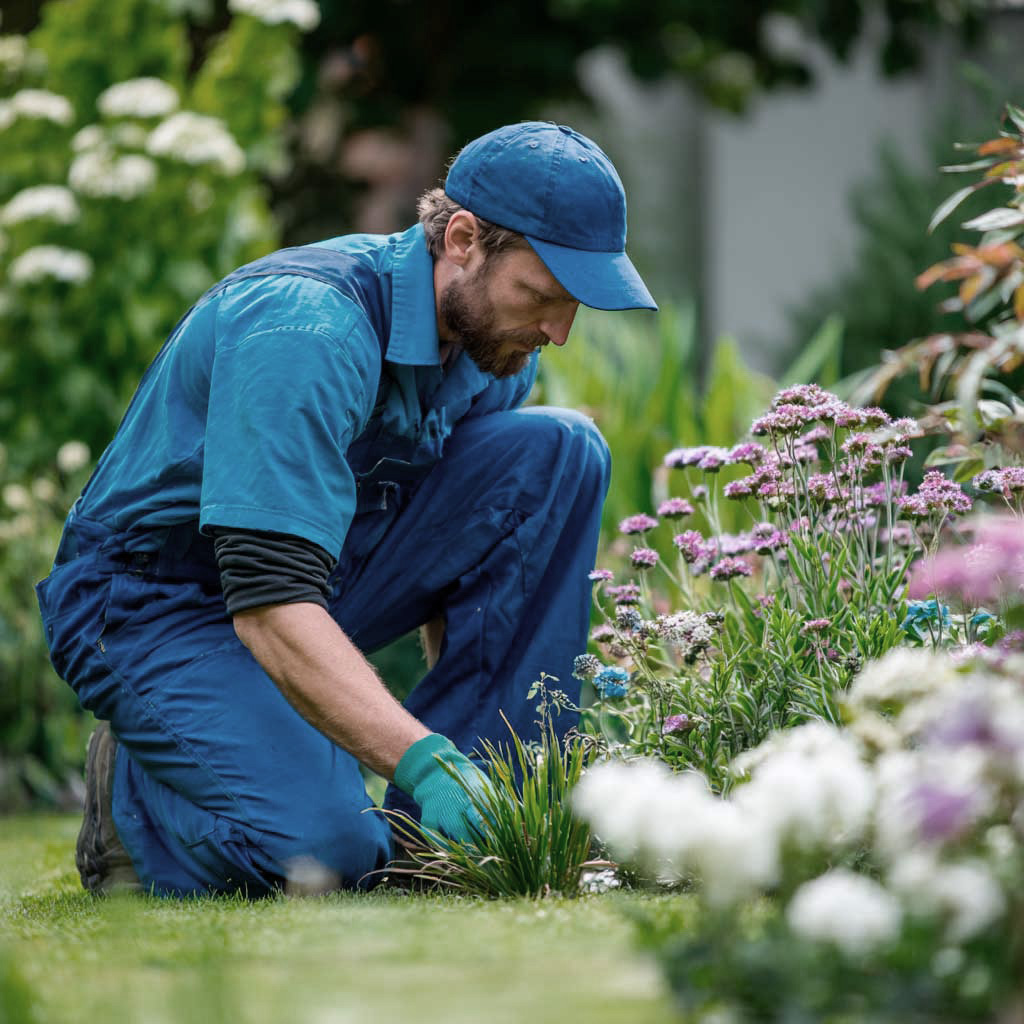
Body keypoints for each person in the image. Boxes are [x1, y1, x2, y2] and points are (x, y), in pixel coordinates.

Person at [37, 121, 657, 897]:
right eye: (540, 296)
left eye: (574, 307)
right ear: (462, 240)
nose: (558, 332)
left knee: (561, 449)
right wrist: (424, 762)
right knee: (330, 853)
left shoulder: (492, 345)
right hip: (152, 602)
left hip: (317, 577)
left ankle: (472, 830)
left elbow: (475, 555)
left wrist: (459, 764)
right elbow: (268, 603)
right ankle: (136, 798)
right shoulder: (307, 330)